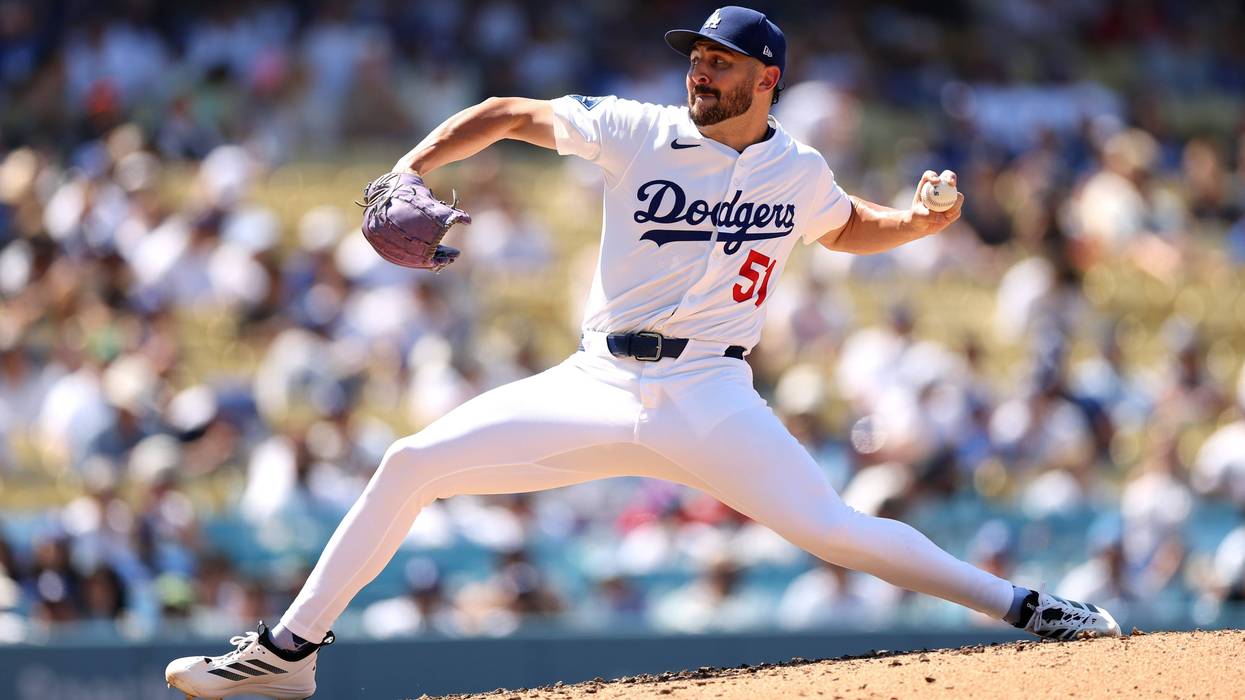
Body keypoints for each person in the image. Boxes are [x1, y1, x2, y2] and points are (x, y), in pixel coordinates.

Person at [166, 7, 1120, 699]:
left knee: (834, 528)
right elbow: (506, 111)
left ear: (765, 80)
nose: (700, 73)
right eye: (696, 58)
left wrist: (916, 222)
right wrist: (408, 170)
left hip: (710, 390)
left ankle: (1027, 608)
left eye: (721, 62)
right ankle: (288, 657)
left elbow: (842, 226)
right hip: (598, 376)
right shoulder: (638, 129)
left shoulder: (799, 168)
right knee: (410, 463)